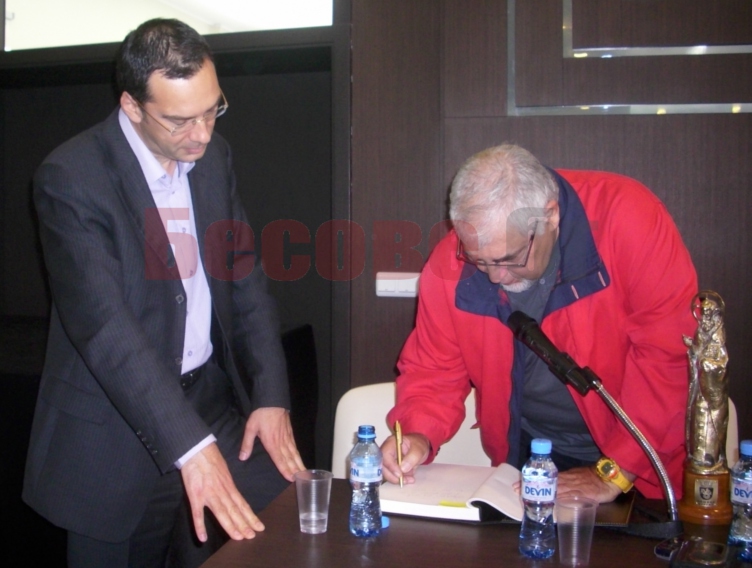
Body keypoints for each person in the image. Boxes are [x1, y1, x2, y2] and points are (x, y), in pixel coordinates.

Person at [23, 18, 305, 567]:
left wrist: (271, 395)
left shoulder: (213, 159)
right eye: (180, 120)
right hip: (116, 428)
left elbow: (244, 279)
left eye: (212, 110)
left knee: (294, 530)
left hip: (210, 402)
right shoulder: (72, 177)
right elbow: (105, 328)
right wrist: (190, 447)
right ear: (132, 106)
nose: (202, 134)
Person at [381, 143, 698, 504]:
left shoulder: (628, 219)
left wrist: (615, 471)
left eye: (510, 259)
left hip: (642, 466)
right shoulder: (450, 264)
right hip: (529, 457)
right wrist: (419, 434)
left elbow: (670, 359)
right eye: (479, 260)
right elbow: (433, 370)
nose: (496, 277)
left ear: (551, 216)